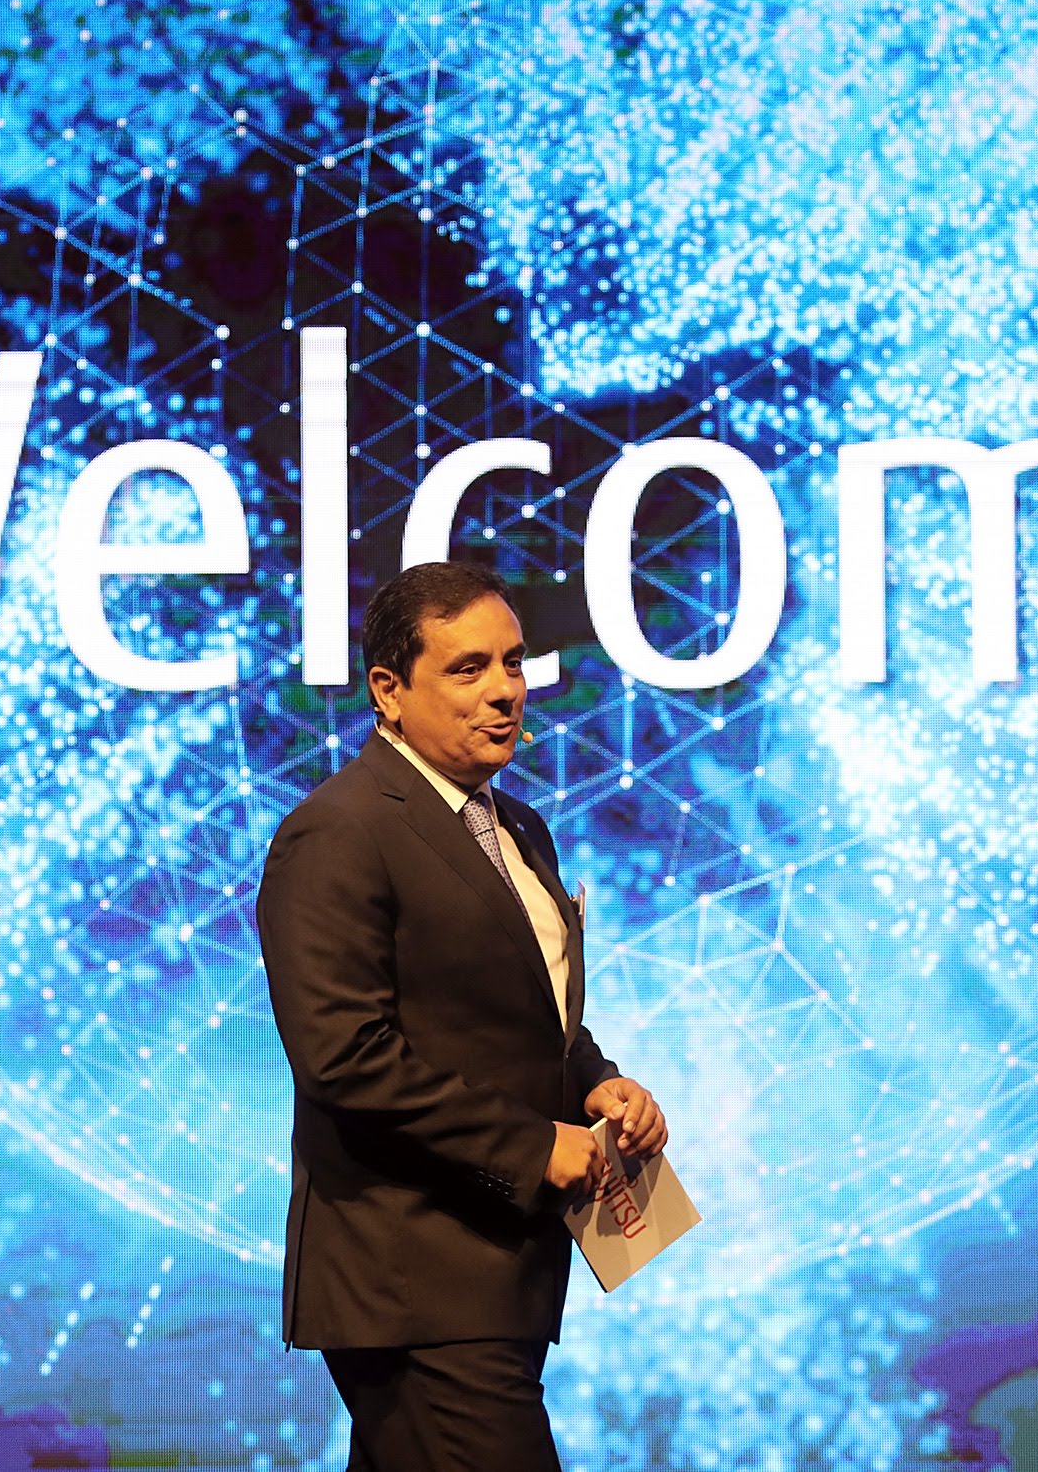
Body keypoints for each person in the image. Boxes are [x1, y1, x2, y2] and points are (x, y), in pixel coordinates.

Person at [254, 560, 670, 1471]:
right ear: (388, 690)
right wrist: (532, 1145)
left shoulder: (518, 824)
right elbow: (344, 1058)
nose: (505, 691)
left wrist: (598, 1083)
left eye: (513, 662)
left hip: (500, 1272)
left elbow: (530, 1014)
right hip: (410, 1277)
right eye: (468, 668)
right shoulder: (338, 832)